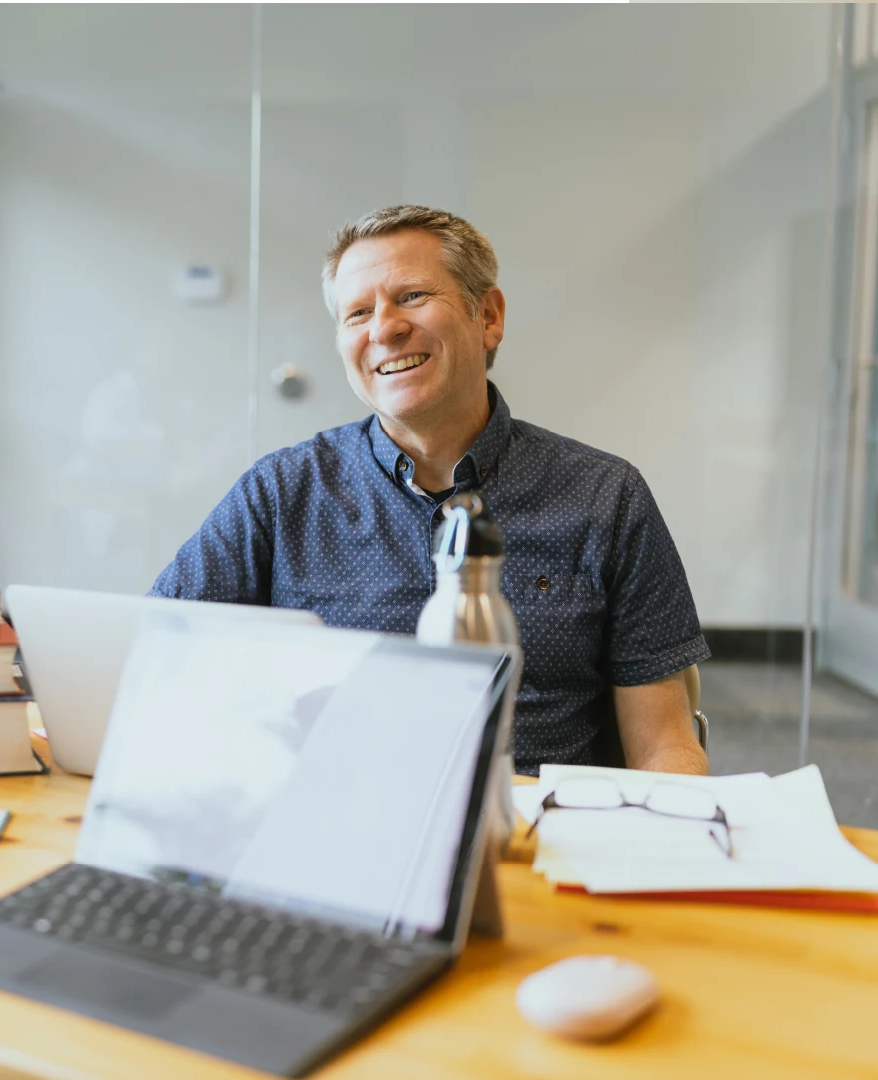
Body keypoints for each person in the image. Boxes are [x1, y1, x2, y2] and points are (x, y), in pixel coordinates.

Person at [149, 205, 710, 776]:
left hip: (530, 838)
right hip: (332, 822)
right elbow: (155, 664)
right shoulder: (280, 494)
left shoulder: (604, 499)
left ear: (487, 316)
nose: (383, 329)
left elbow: (664, 746)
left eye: (413, 296)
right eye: (357, 313)